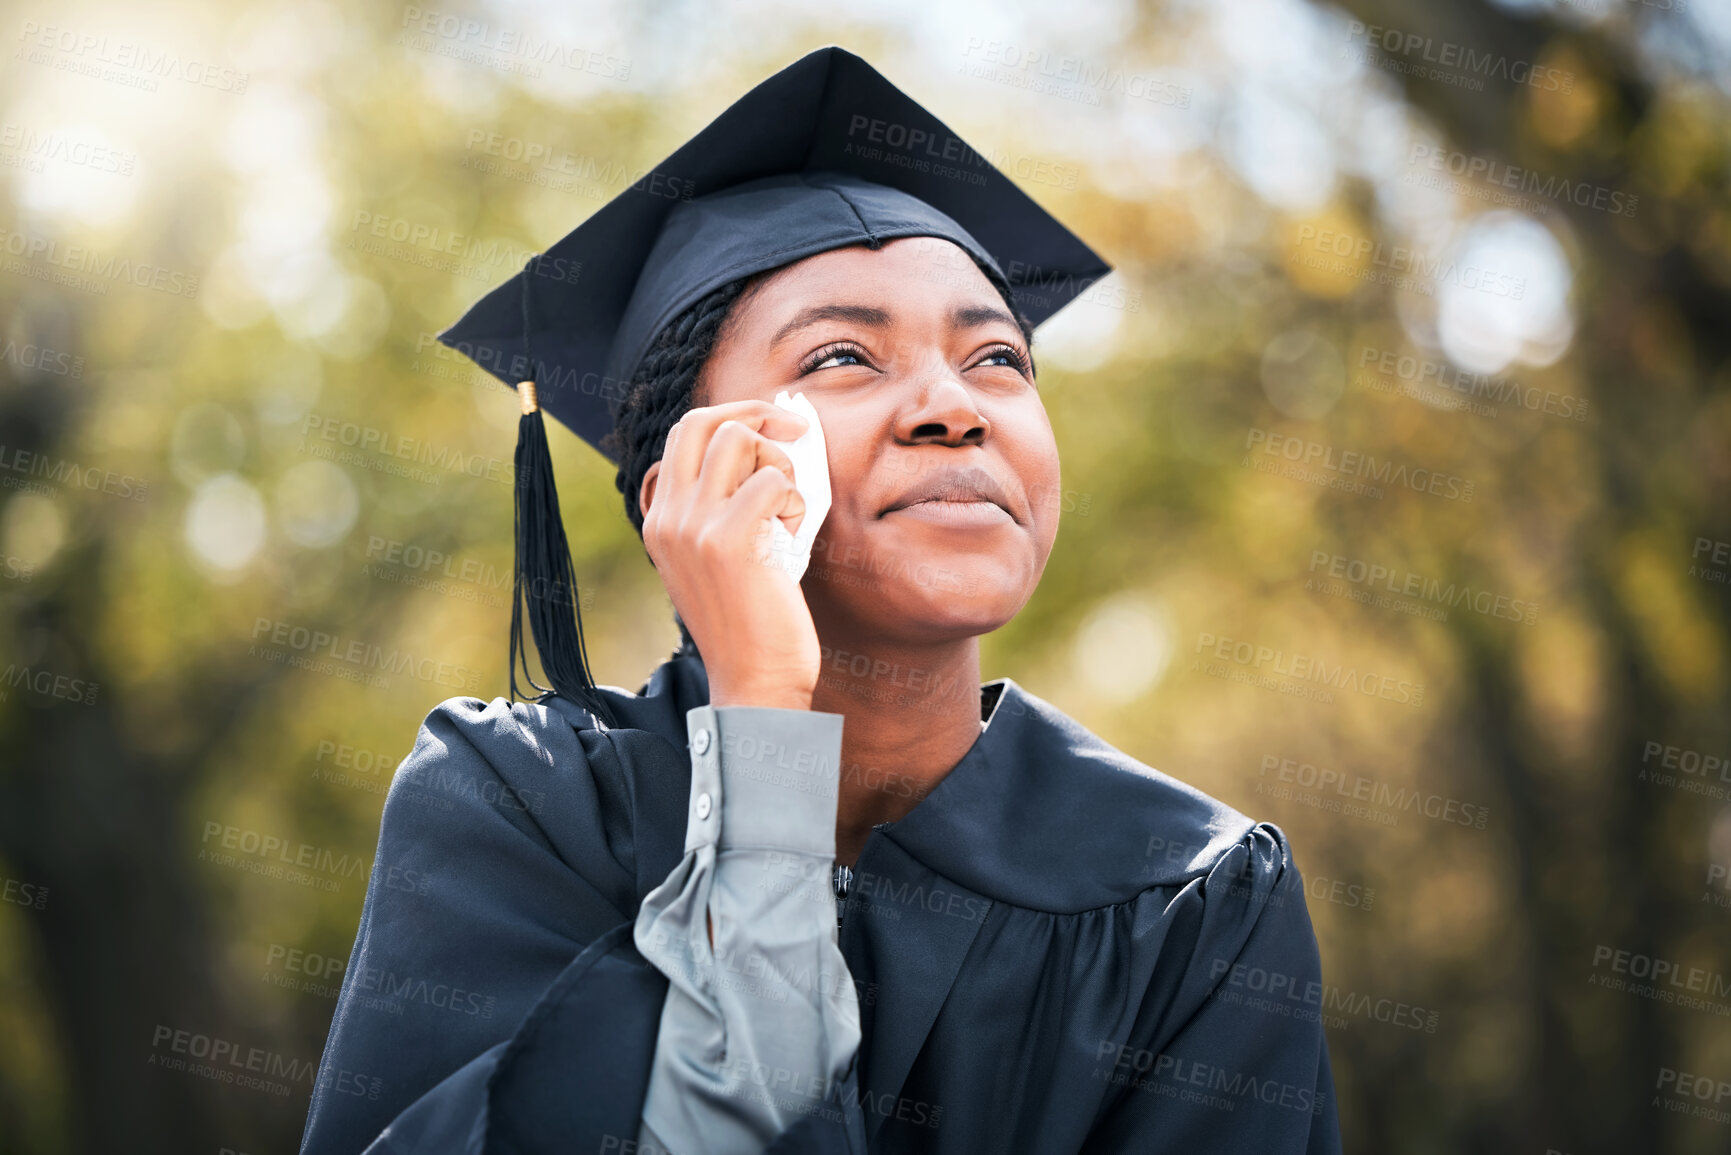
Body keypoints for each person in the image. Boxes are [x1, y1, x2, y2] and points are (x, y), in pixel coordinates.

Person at [299, 46, 1341, 1155]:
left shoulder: (1194, 892)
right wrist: (763, 719)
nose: (955, 406)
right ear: (683, 490)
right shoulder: (527, 807)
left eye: (998, 359)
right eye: (845, 356)